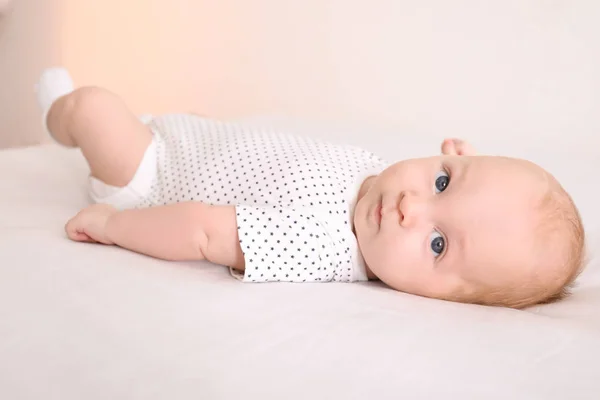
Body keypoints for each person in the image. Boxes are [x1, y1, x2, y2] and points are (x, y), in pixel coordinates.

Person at [35, 67, 586, 309]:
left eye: (437, 244)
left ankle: (56, 116)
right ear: (452, 152)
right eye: (441, 182)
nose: (408, 207)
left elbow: (202, 231)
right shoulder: (376, 172)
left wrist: (114, 225)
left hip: (150, 173)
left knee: (92, 107)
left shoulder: (325, 246)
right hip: (194, 136)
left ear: (442, 298)